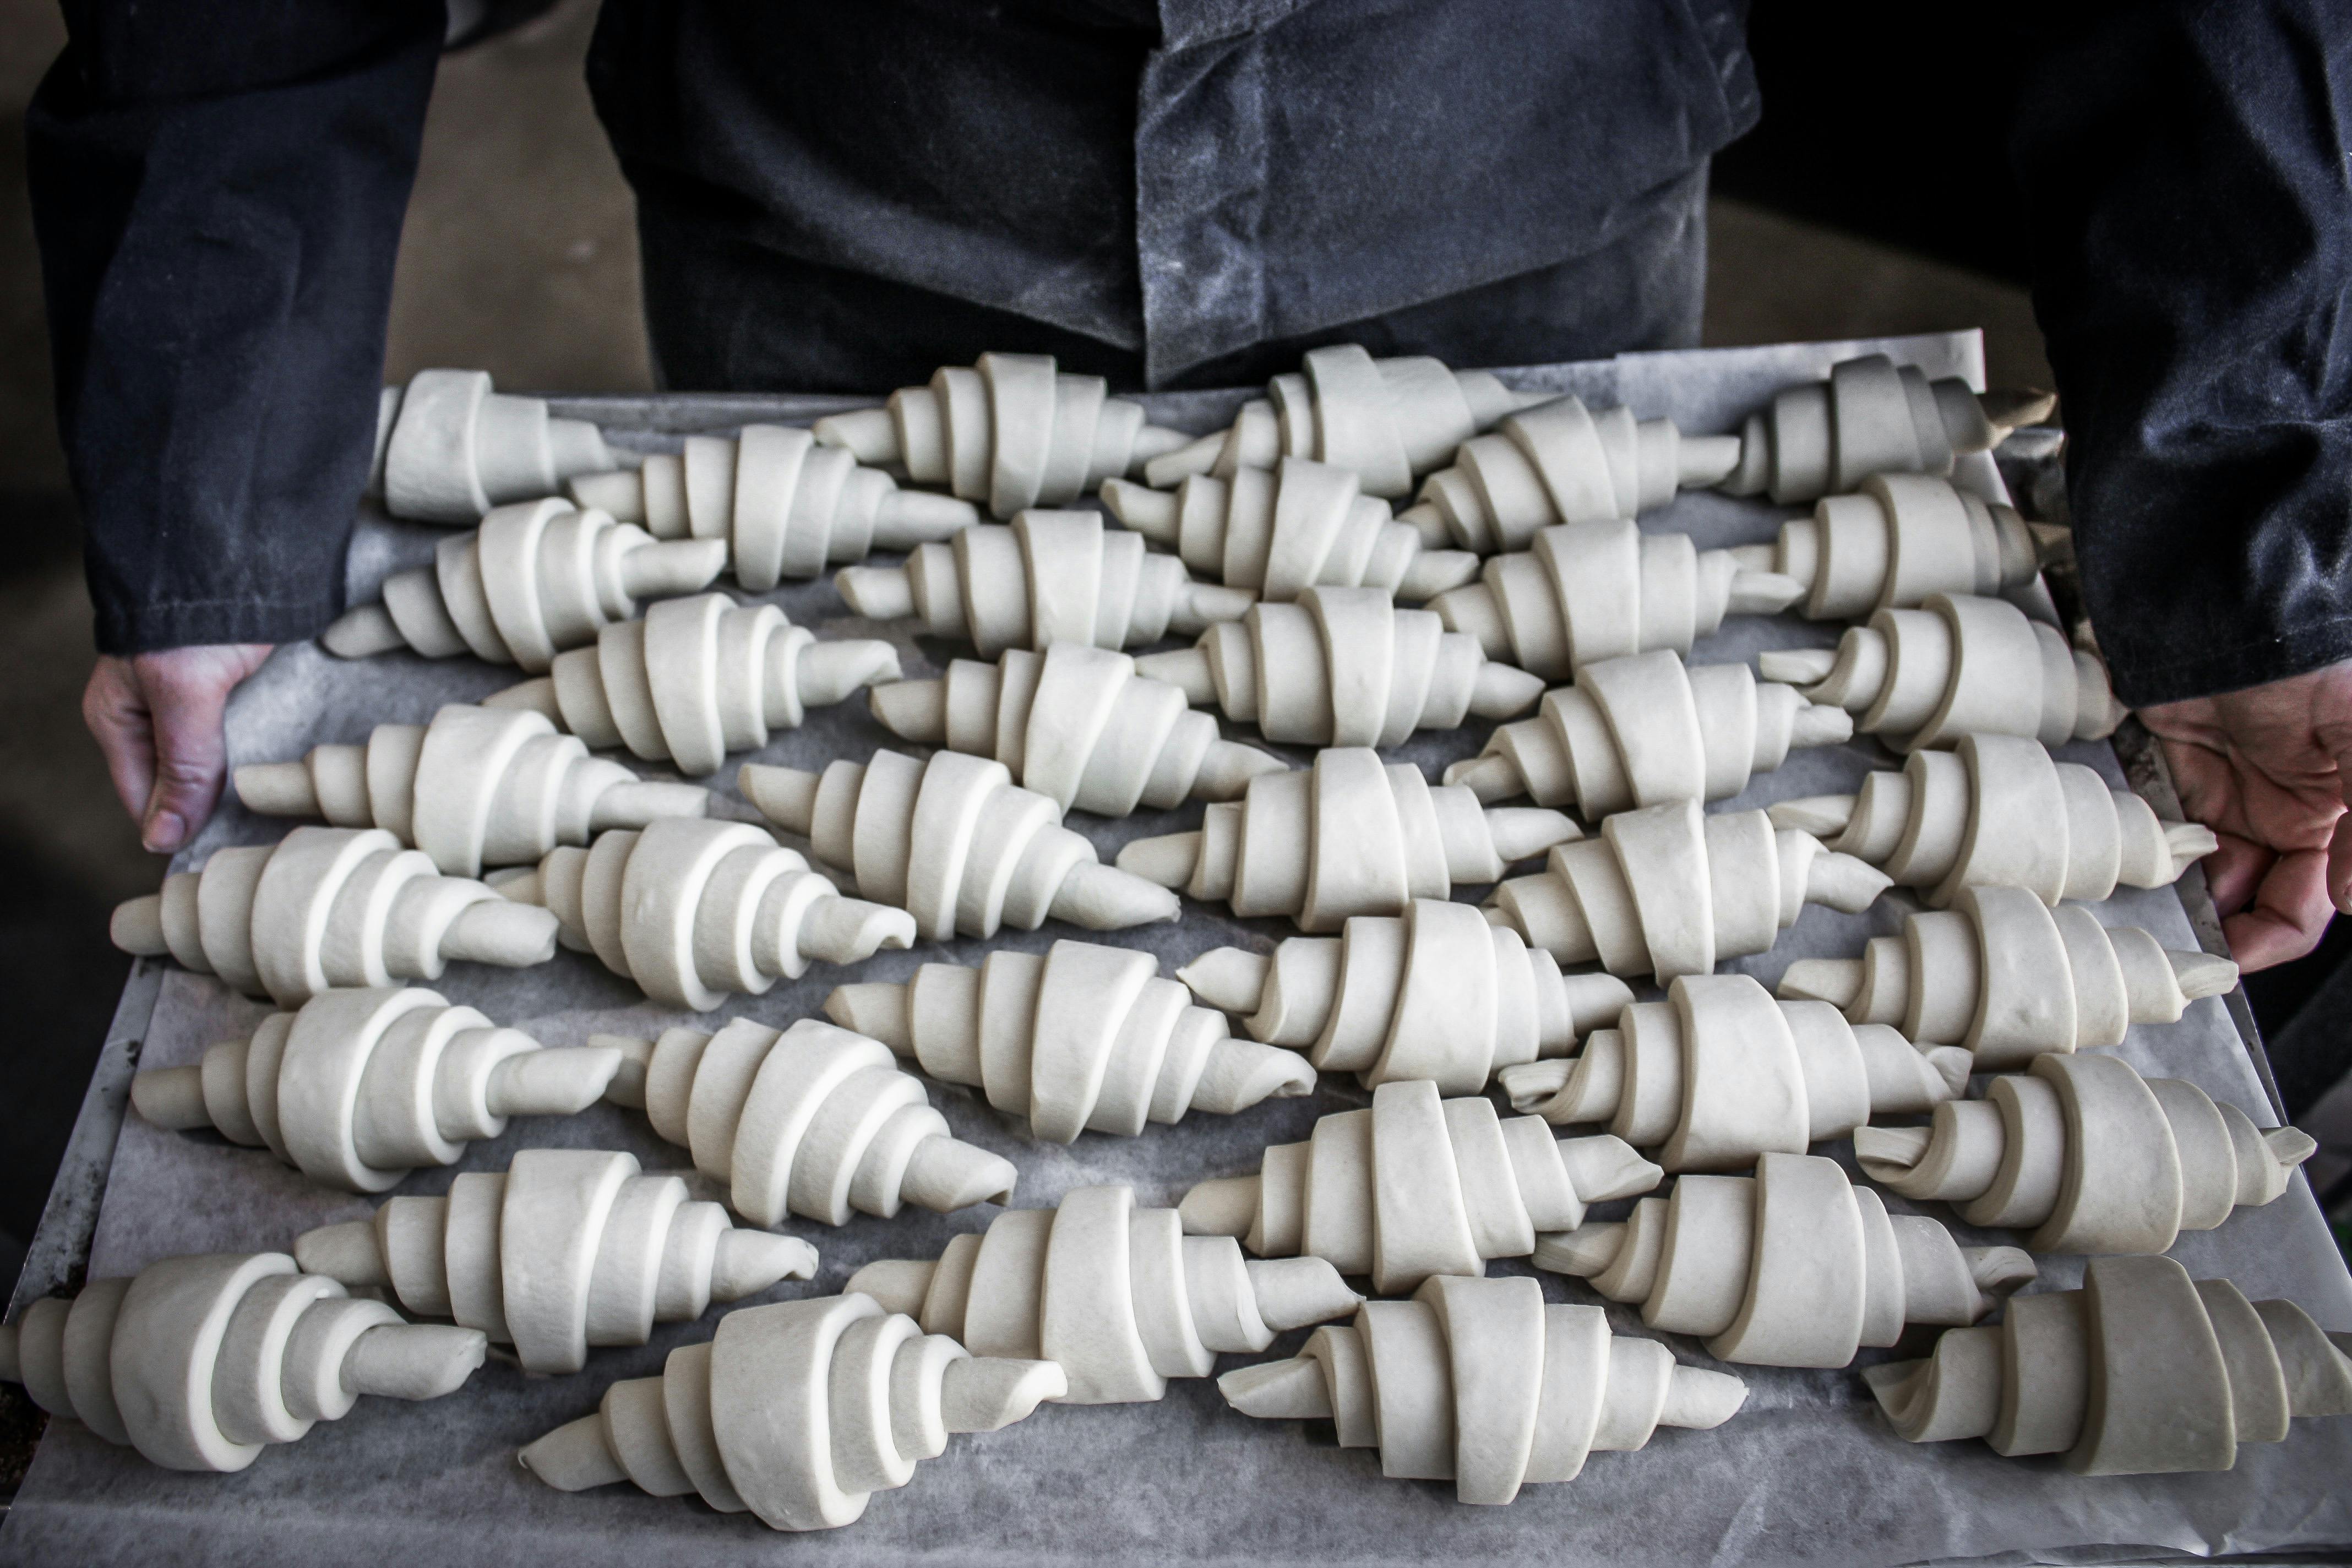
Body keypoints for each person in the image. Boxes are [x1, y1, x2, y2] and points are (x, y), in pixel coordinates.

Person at [31, 2, 2352, 973]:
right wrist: (207, 483)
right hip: (853, 201)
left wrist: (2253, 532)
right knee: (811, 846)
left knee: (1511, 878)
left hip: (1505, 198)